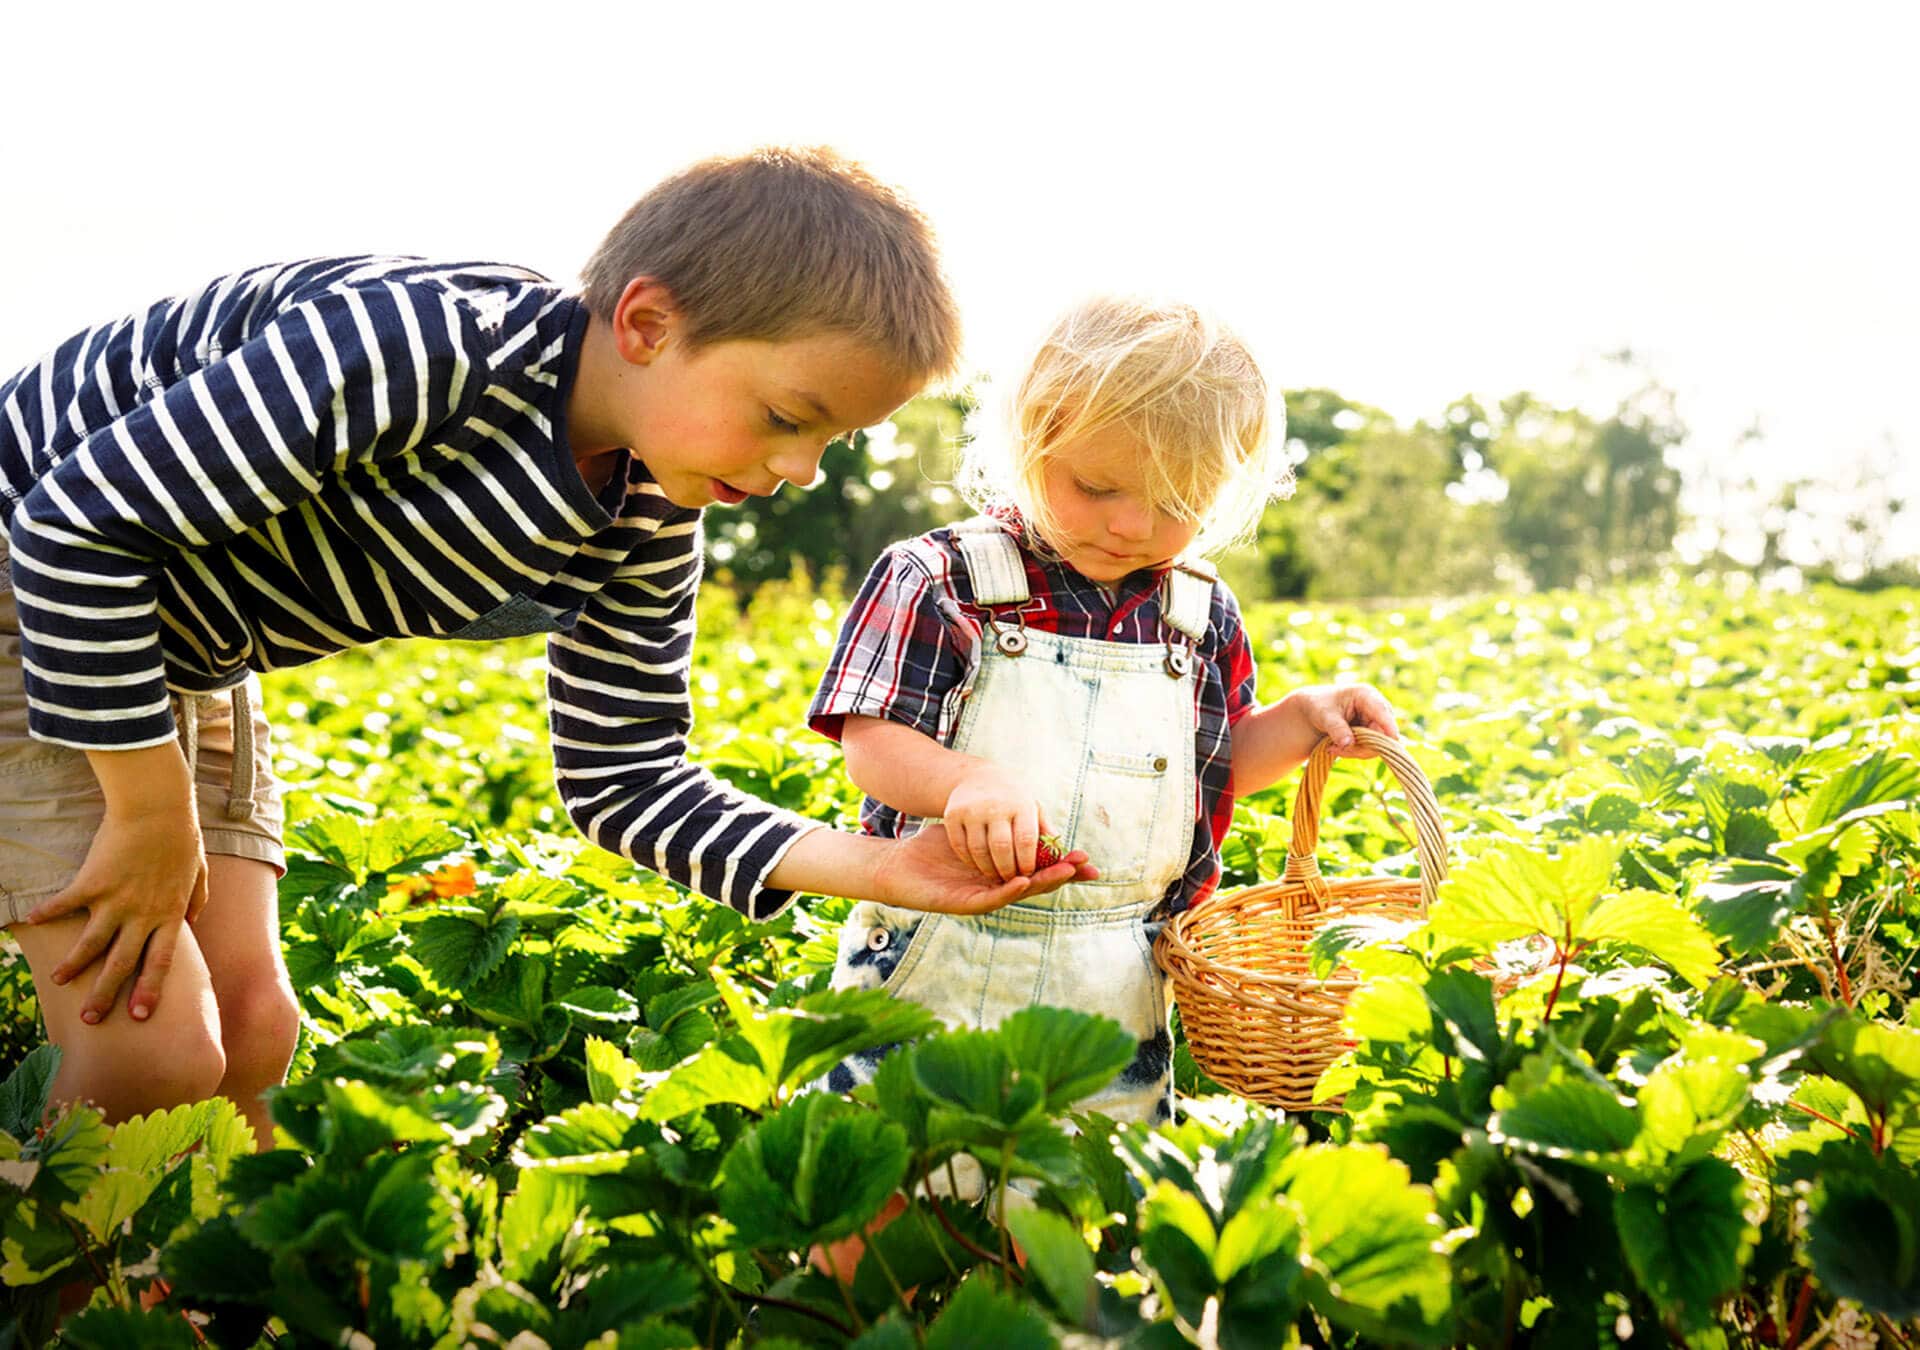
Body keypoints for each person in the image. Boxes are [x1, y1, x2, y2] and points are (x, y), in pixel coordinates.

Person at [0, 146, 1090, 1146]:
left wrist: (885, 868)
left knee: (251, 1030)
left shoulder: (653, 503)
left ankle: (184, 1298)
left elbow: (628, 776)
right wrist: (150, 814)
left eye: (831, 442)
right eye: (786, 416)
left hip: (186, 651)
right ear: (649, 325)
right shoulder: (426, 347)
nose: (801, 469)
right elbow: (73, 529)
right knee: (147, 1050)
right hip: (33, 599)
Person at [807, 294, 1400, 1131]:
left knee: (1081, 1208)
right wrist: (961, 783)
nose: (1131, 525)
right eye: (1096, 486)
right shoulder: (943, 579)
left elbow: (1216, 766)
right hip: (935, 951)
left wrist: (1305, 721)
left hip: (1115, 980)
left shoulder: (1198, 614)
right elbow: (872, 743)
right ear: (1032, 436)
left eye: (1175, 504)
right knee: (883, 1178)